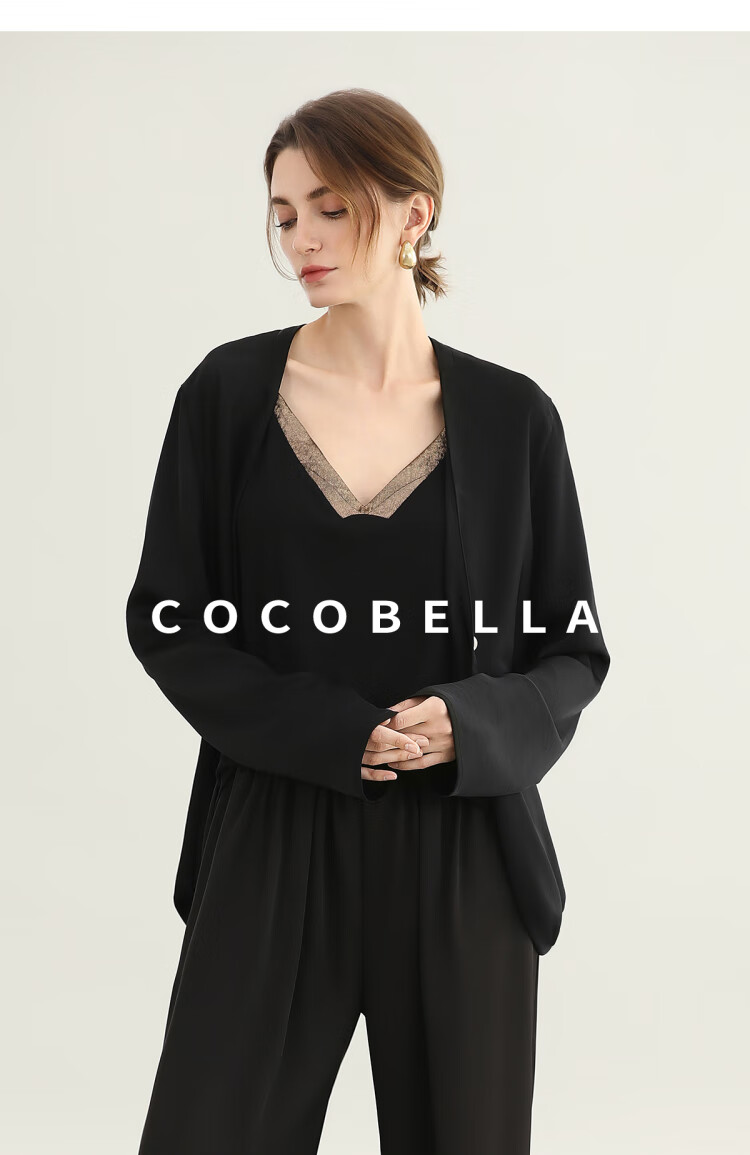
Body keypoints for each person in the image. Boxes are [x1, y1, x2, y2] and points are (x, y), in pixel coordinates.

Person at [126, 88, 610, 1155]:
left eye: (331, 207)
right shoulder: (227, 395)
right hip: (271, 829)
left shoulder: (513, 418)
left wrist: (469, 725)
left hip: (464, 845)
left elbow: (573, 647)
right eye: (283, 213)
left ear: (413, 213)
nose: (300, 237)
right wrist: (329, 731)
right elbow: (169, 620)